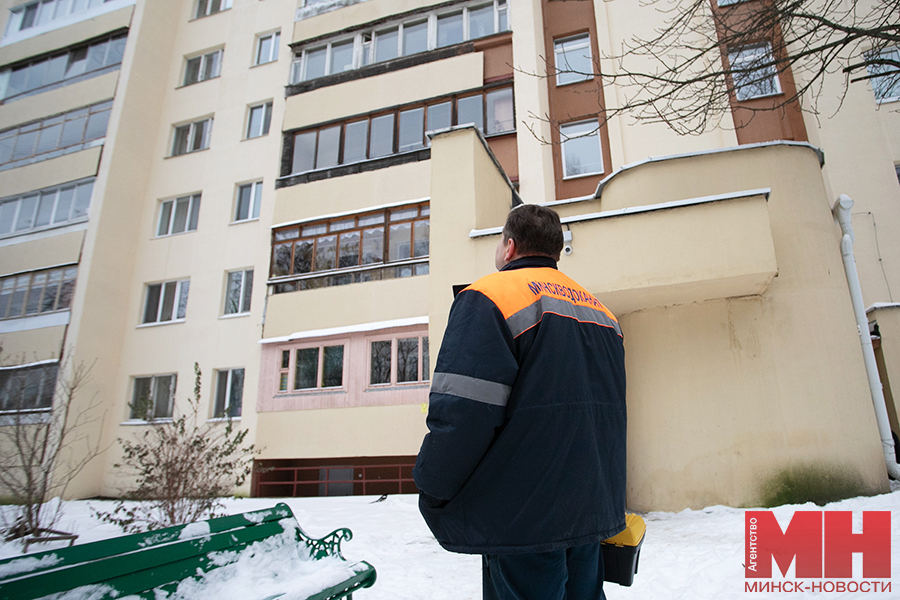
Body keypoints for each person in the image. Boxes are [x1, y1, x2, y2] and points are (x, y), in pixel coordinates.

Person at [412, 203, 627, 600]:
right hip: (589, 510)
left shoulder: (490, 297)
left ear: (509, 247)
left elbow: (463, 411)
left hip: (523, 517)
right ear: (556, 251)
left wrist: (432, 484)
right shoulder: (601, 312)